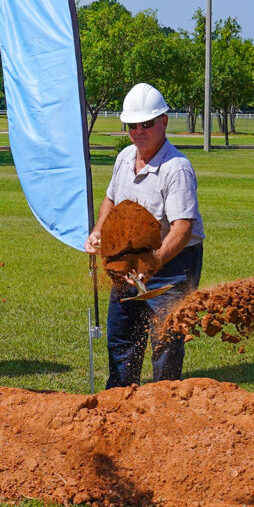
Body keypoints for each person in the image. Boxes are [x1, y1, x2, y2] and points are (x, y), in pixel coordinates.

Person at [86, 82, 203, 387]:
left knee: (165, 344)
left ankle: (163, 408)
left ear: (163, 121)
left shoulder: (177, 168)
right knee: (122, 337)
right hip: (129, 261)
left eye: (146, 123)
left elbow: (183, 227)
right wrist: (98, 232)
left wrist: (154, 263)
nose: (138, 130)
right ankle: (121, 403)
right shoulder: (125, 157)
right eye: (132, 125)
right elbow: (111, 200)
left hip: (174, 263)